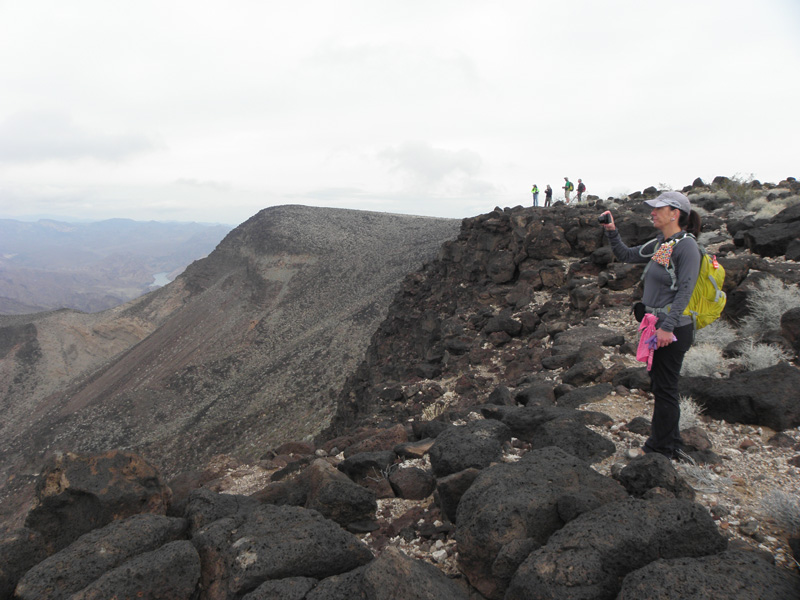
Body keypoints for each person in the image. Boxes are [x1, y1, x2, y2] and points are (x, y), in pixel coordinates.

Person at [599, 191, 702, 460]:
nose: (653, 212)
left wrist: (667, 328)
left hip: (673, 328)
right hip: (657, 325)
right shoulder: (665, 244)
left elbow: (685, 291)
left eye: (659, 208)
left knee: (665, 388)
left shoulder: (686, 247)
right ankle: (669, 441)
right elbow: (626, 254)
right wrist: (612, 230)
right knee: (660, 385)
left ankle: (661, 448)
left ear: (675, 213)